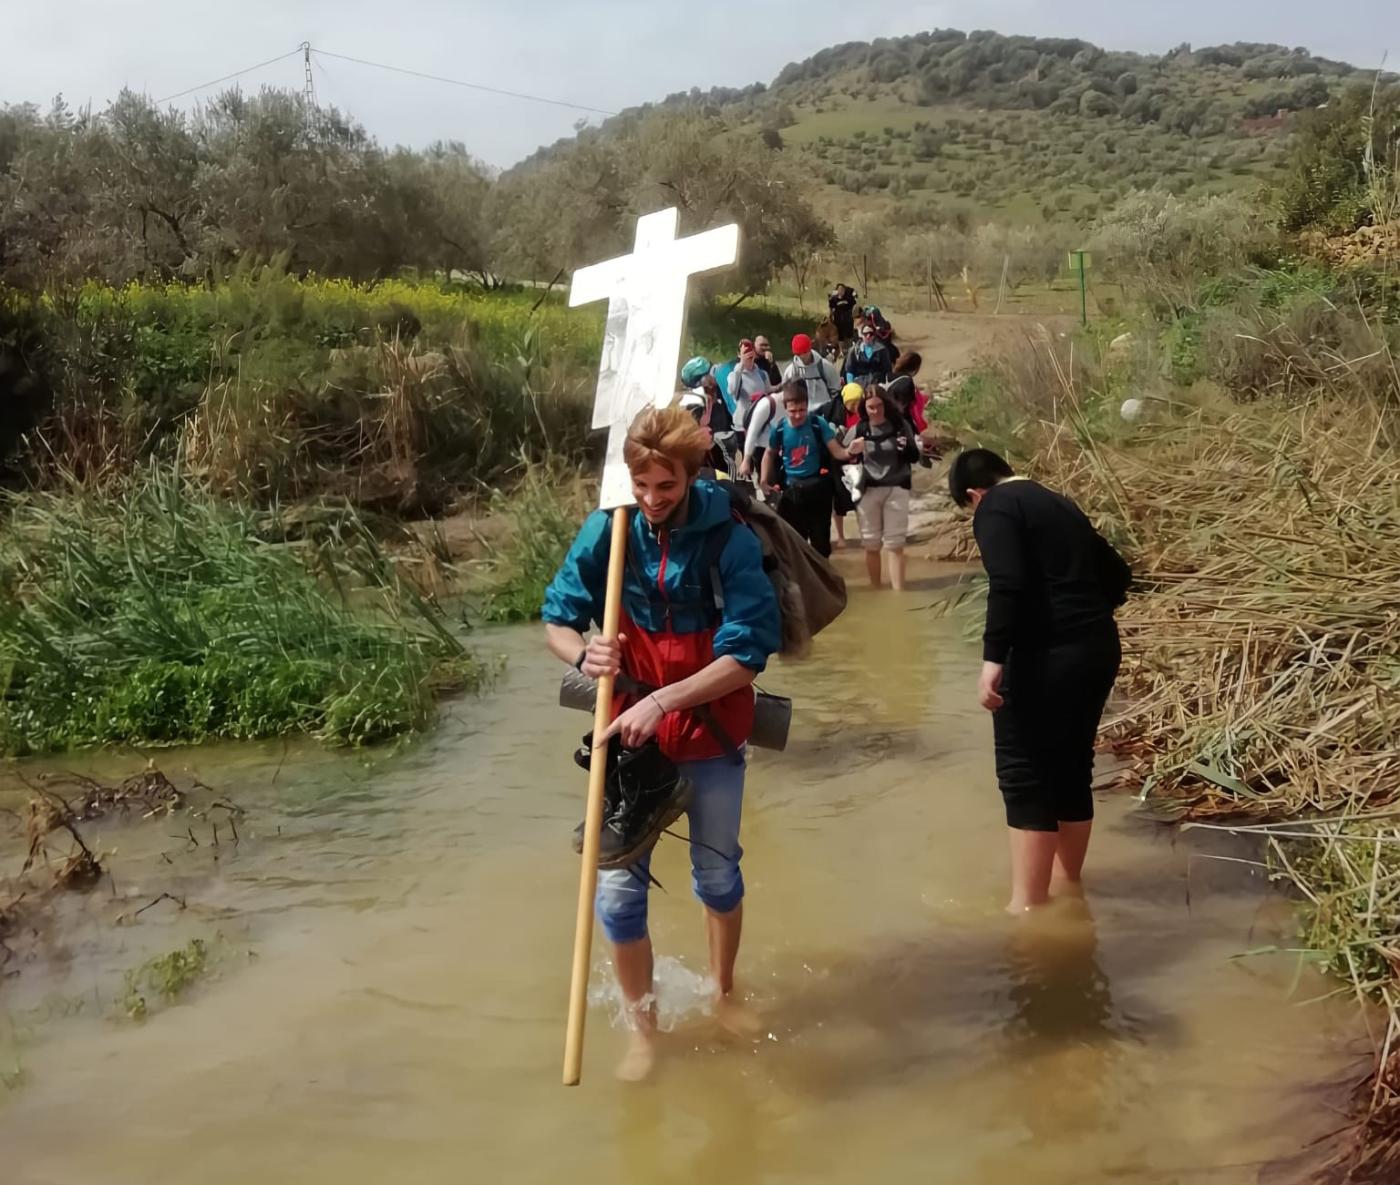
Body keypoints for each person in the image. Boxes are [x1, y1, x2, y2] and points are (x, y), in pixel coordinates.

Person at [542, 405, 782, 1081]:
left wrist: (664, 699)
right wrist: (582, 651)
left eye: (666, 487)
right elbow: (556, 617)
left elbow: (748, 652)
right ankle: (643, 1031)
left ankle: (722, 993)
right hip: (629, 738)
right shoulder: (609, 528)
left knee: (718, 875)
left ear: (690, 474)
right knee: (615, 894)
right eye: (641, 485)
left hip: (708, 725)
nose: (651, 500)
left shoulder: (726, 538)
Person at [948, 449, 1131, 915]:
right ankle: (1069, 890)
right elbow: (1118, 576)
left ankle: (1027, 909)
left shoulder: (996, 507)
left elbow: (1007, 582)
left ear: (973, 495)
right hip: (1097, 648)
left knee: (1024, 774)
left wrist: (992, 660)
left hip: (1043, 659)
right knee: (1072, 767)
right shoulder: (1058, 502)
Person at [760, 379, 855, 557]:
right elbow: (769, 454)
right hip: (792, 492)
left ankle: (824, 581)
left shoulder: (818, 424)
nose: (797, 415)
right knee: (796, 547)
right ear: (785, 407)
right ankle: (803, 583)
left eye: (802, 410)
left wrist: (851, 450)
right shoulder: (779, 429)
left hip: (819, 490)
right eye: (793, 411)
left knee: (821, 547)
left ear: (807, 406)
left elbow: (838, 452)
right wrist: (764, 480)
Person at [845, 386, 921, 591]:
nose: (876, 411)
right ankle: (876, 589)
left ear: (886, 405)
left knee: (895, 544)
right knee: (871, 545)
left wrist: (899, 446)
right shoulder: (859, 429)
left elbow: (914, 455)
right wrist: (851, 451)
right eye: (871, 407)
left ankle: (899, 593)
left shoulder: (899, 425)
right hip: (868, 489)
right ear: (864, 408)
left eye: (879, 406)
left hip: (897, 486)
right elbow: (843, 455)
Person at [782, 333, 841, 409]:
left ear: (810, 349)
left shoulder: (825, 366)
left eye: (804, 353)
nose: (802, 356)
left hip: (825, 408)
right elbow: (786, 393)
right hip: (803, 411)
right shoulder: (791, 370)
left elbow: (836, 389)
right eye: (798, 354)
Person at [726, 339, 770, 431]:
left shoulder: (762, 374)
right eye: (745, 352)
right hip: (742, 426)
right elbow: (732, 391)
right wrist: (742, 364)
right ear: (739, 354)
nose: (749, 354)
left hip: (760, 423)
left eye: (750, 351)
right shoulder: (734, 375)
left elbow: (768, 391)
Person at [883, 351, 929, 434]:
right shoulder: (907, 381)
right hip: (899, 422)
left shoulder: (886, 376)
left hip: (882, 418)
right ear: (915, 368)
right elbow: (908, 408)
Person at [843, 322, 895, 387]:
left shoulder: (882, 350)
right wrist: (850, 385)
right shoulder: (854, 350)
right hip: (858, 383)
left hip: (877, 383)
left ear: (874, 335)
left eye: (871, 334)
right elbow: (849, 370)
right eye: (865, 334)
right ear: (861, 335)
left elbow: (887, 370)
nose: (868, 336)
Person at [828, 283, 859, 349]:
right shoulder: (834, 299)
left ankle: (850, 348)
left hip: (848, 320)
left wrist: (854, 315)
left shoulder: (849, 298)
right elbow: (831, 308)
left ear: (844, 290)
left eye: (842, 289)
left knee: (849, 335)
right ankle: (841, 351)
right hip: (838, 320)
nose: (841, 291)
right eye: (839, 289)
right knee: (840, 336)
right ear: (837, 291)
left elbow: (855, 306)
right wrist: (831, 316)